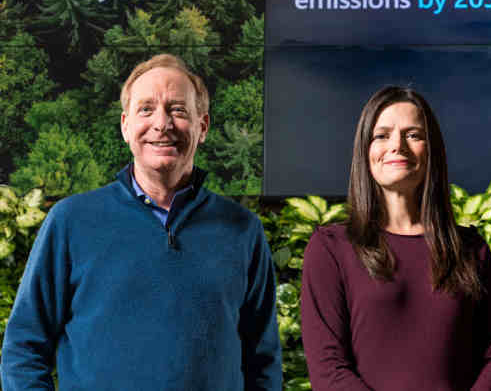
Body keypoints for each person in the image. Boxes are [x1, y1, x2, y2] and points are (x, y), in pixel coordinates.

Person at [1, 54, 282, 390]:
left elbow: (262, 361)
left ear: (202, 127)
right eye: (146, 109)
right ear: (125, 126)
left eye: (178, 110)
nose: (161, 124)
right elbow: (23, 349)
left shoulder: (242, 228)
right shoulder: (71, 222)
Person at [301, 86, 491, 390]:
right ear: (365, 150)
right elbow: (328, 368)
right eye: (382, 135)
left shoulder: (471, 249)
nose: (396, 146)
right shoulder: (330, 249)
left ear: (431, 150)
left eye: (413, 135)